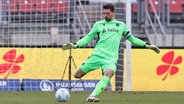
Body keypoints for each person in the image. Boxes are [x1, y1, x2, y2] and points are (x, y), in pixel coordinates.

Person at [62, 3, 160, 102]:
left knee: (108, 74)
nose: (105, 15)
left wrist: (147, 45)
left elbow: (132, 39)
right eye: (104, 13)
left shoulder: (121, 26)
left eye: (107, 13)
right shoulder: (98, 25)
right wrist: (75, 45)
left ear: (113, 12)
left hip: (110, 58)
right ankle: (92, 92)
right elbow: (88, 38)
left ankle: (92, 95)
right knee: (77, 75)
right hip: (97, 56)